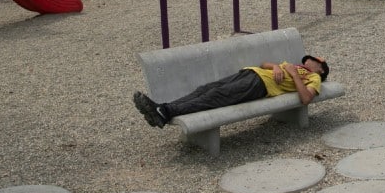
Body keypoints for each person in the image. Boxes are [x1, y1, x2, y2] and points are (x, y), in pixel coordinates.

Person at [133, 55, 329, 128]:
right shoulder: (294, 65)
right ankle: (163, 109)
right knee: (206, 89)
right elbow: (264, 63)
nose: (307, 60)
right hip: (250, 73)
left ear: (321, 67)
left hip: (259, 86)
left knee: (215, 97)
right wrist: (277, 67)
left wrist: (295, 76)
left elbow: (305, 99)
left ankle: (165, 112)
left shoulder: (313, 78)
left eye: (314, 60)